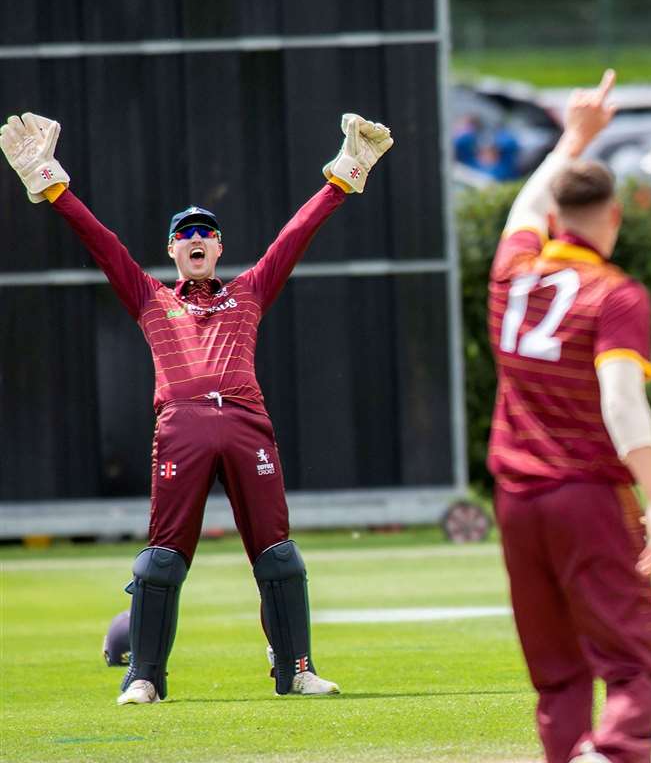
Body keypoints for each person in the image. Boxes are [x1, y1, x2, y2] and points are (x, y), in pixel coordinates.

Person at [0, 110, 393, 703]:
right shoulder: (151, 297)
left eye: (206, 233)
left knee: (278, 555)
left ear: (219, 247)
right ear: (172, 251)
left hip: (245, 422)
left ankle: (296, 670)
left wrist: (343, 176)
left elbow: (294, 237)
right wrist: (54, 187)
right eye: (185, 234)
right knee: (162, 560)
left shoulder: (249, 292)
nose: (197, 240)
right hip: (181, 427)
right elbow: (101, 243)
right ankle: (145, 679)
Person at [487, 71, 651, 763]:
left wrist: (574, 136)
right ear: (616, 220)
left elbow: (521, 211)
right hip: (588, 496)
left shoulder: (513, 272)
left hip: (515, 502)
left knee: (558, 678)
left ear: (555, 219)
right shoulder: (614, 293)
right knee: (632, 668)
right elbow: (620, 400)